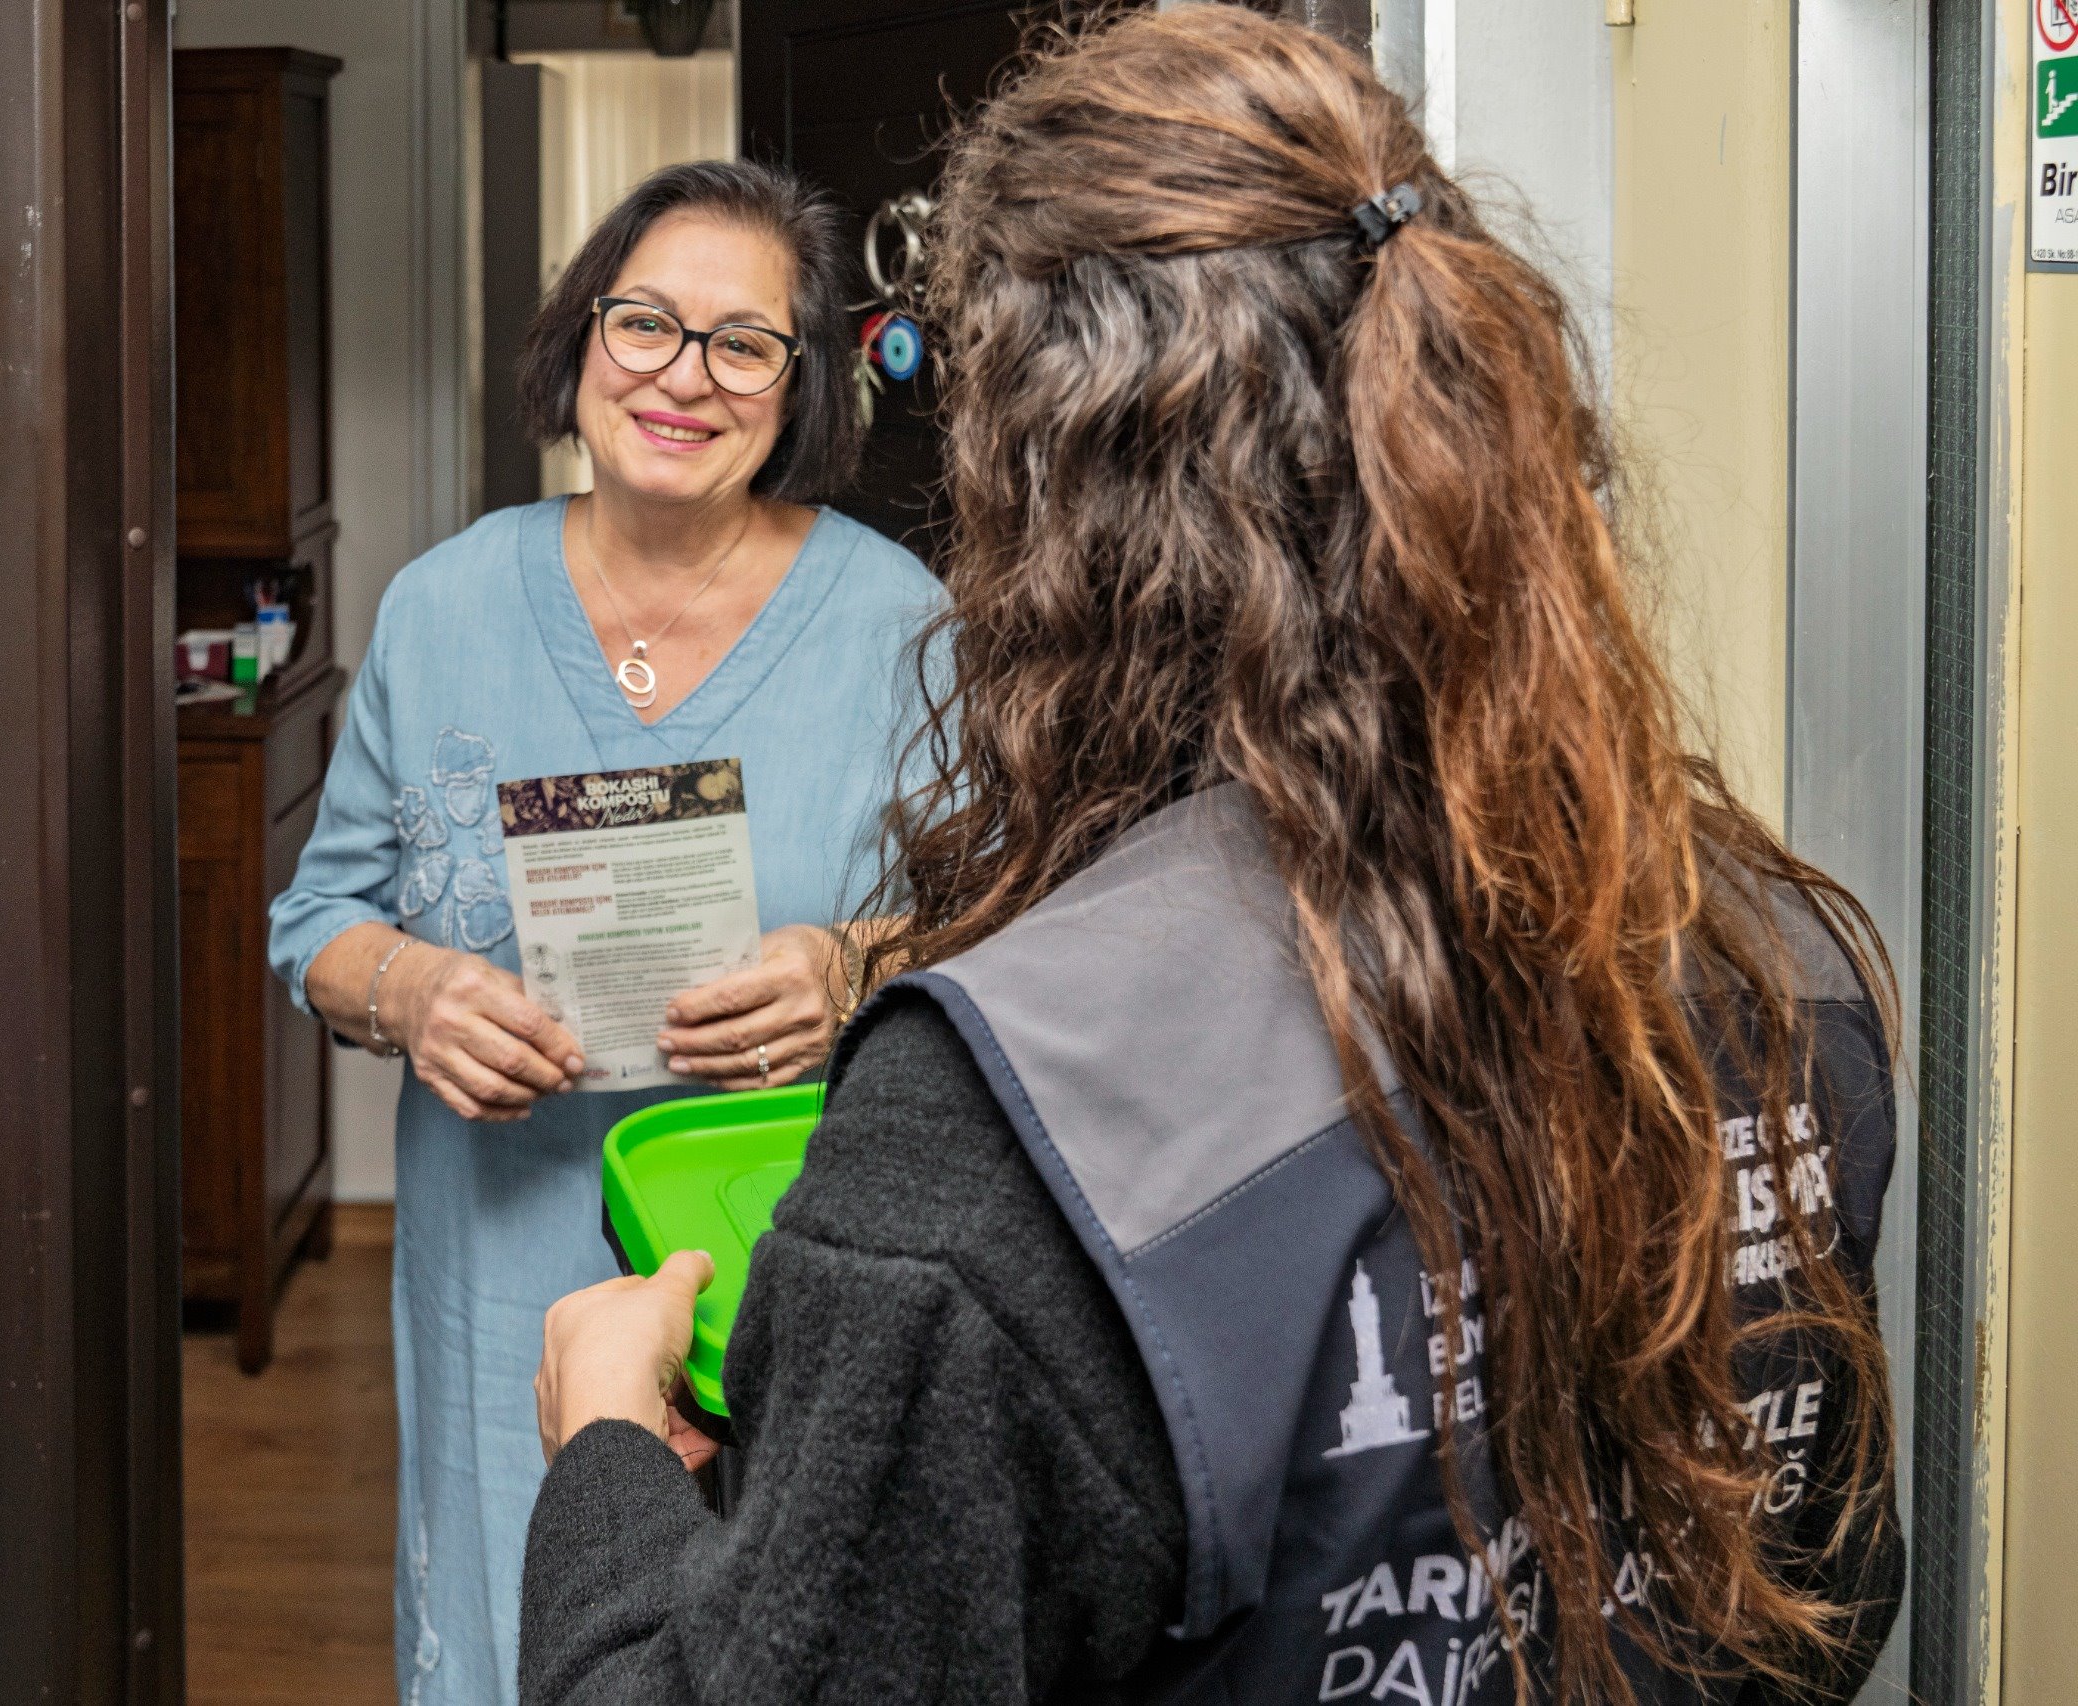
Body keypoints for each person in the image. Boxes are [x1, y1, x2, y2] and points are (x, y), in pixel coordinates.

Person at [523, 12, 1903, 1705]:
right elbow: (1825, 1591)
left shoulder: (1000, 1137)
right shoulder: (1776, 956)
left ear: (1046, 489)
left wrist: (605, 1453)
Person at [266, 161, 942, 1703]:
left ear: (798, 388)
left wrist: (850, 966)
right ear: (579, 339)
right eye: (645, 322)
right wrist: (413, 990)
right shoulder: (442, 608)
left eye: (742, 344)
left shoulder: (901, 622)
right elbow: (317, 922)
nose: (683, 377)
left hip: (789, 1290)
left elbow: (1008, 928)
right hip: (500, 1276)